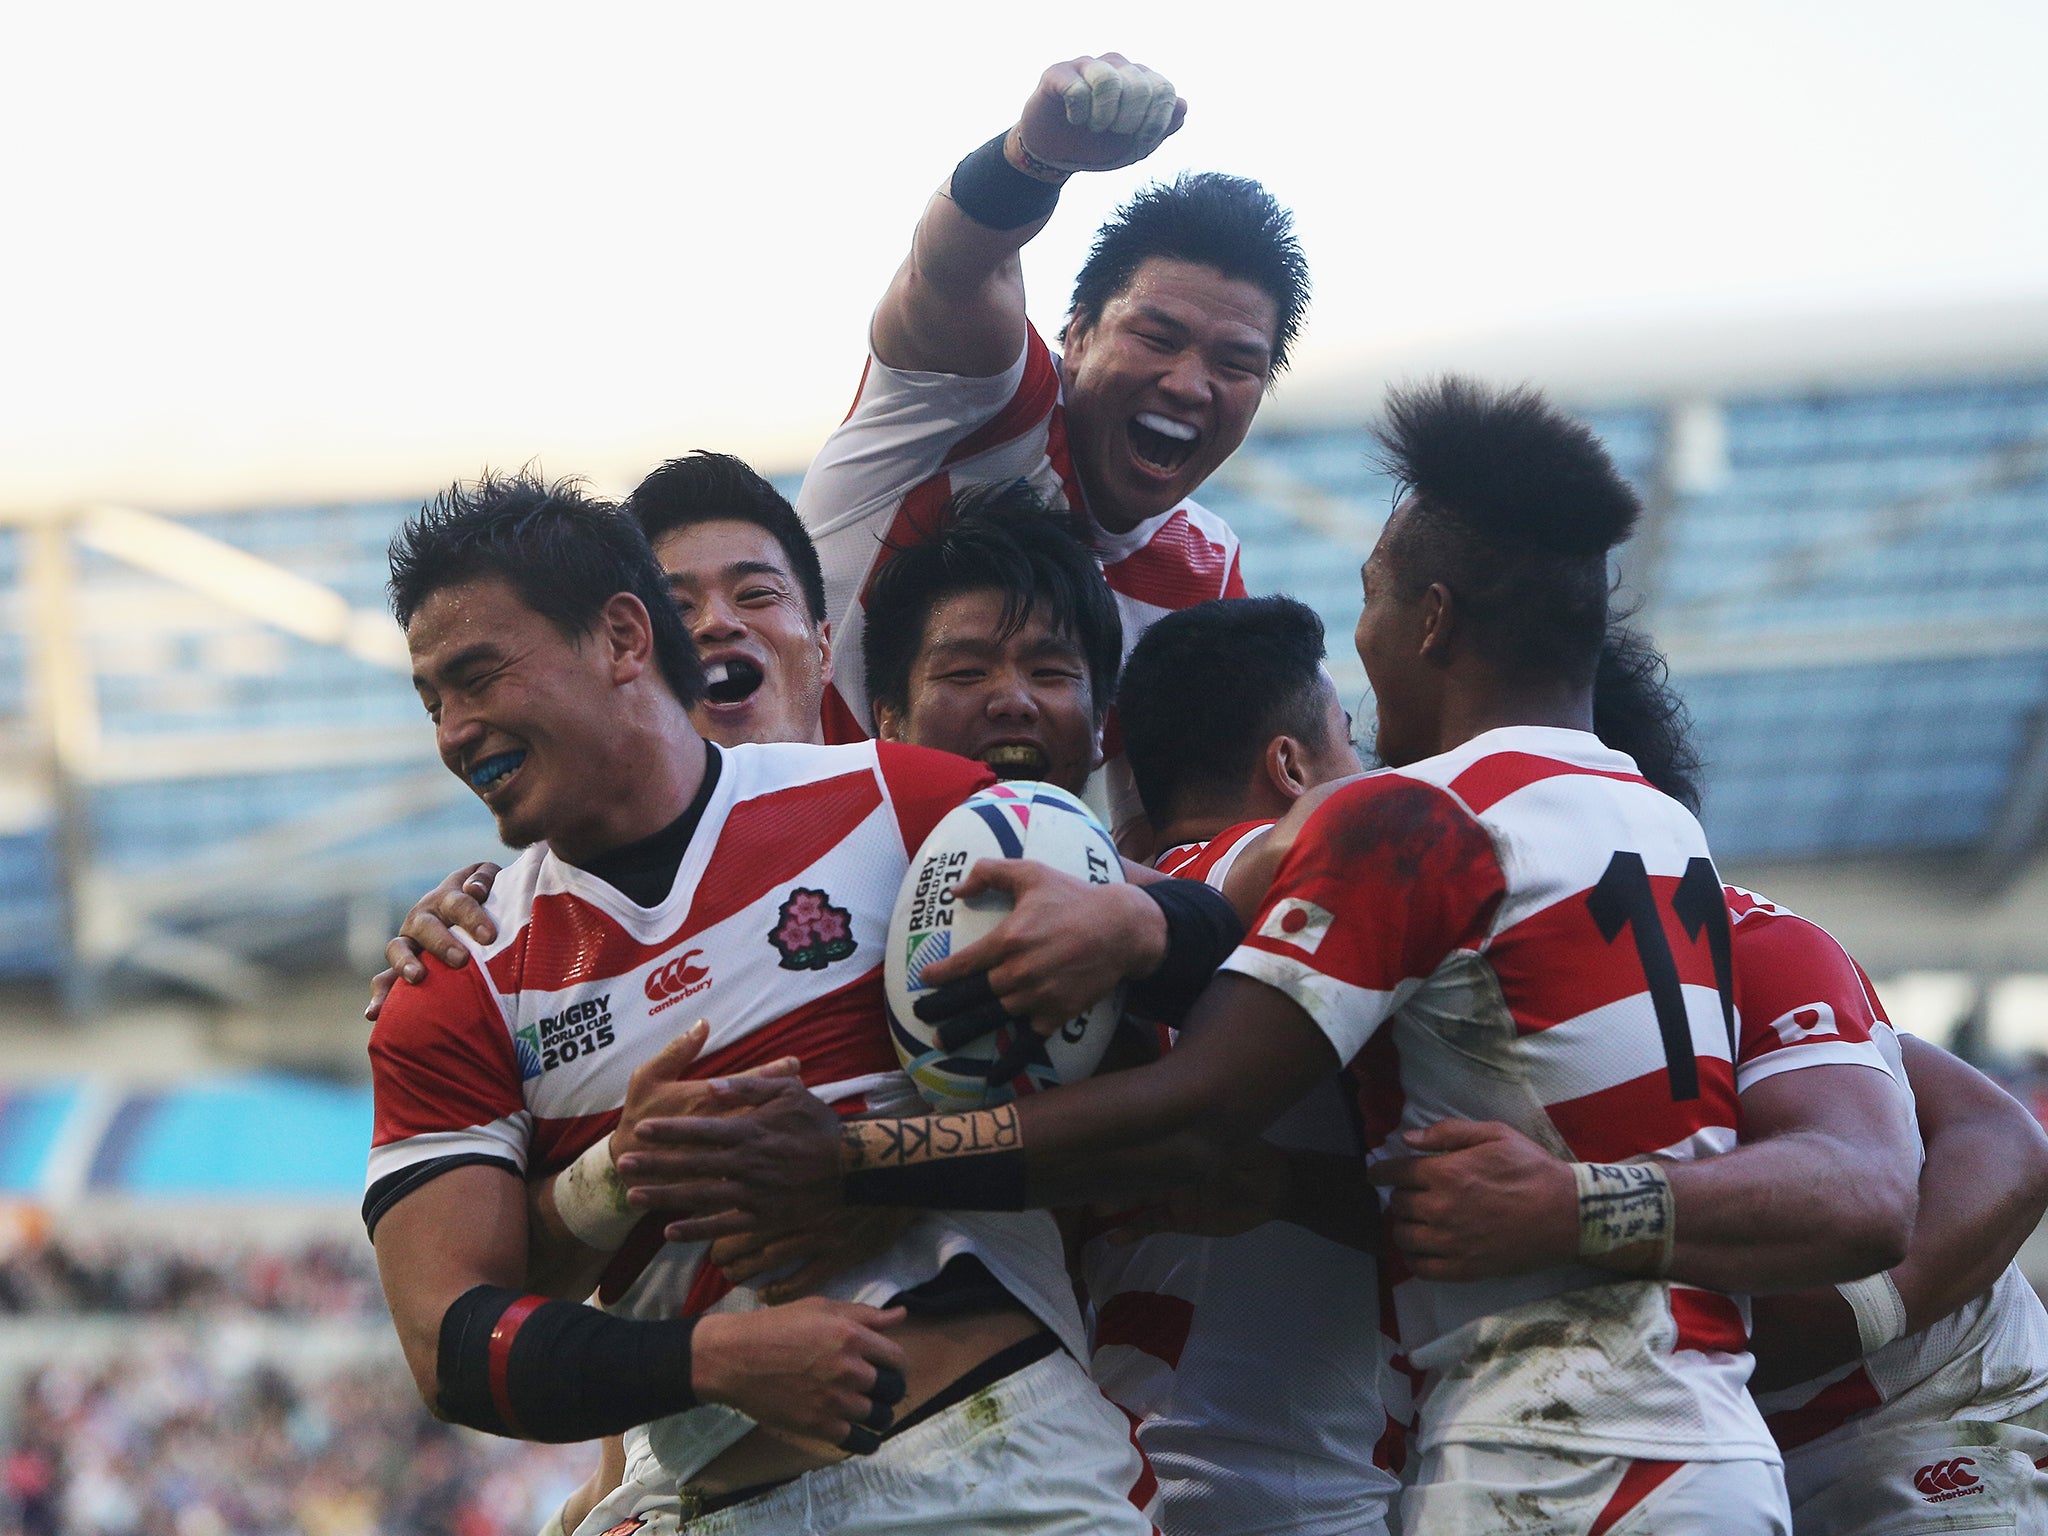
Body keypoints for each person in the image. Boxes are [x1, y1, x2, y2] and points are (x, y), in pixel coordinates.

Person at [624, 378, 1922, 1534]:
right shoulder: (1662, 833)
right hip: (1677, 1455)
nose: (1356, 654)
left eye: (1363, 601)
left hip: (1520, 1470)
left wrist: (846, 1159)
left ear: (1428, 618)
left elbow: (1200, 1113)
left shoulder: (1403, 823)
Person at [368, 471, 1187, 1536]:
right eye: (434, 700)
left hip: (1003, 1475)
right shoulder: (458, 976)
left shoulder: (899, 805)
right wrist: (653, 1246)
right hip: (708, 1502)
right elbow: (449, 1349)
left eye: (477, 678)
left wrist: (1138, 924)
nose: (455, 730)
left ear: (622, 639)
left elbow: (1195, 1036)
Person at [795, 52, 1309, 840]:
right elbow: (953, 270)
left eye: (1235, 364)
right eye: (1157, 337)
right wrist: (1034, 159)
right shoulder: (978, 404)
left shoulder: (1206, 570)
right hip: (771, 895)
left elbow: (1174, 837)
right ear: (1075, 335)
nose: (1189, 384)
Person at [1088, 595, 1395, 1536]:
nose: (1374, 768)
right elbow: (1351, 824)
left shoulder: (1096, 915)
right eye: (1351, 738)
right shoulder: (1245, 877)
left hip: (1119, 1477)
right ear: (1291, 767)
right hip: (1283, 1495)